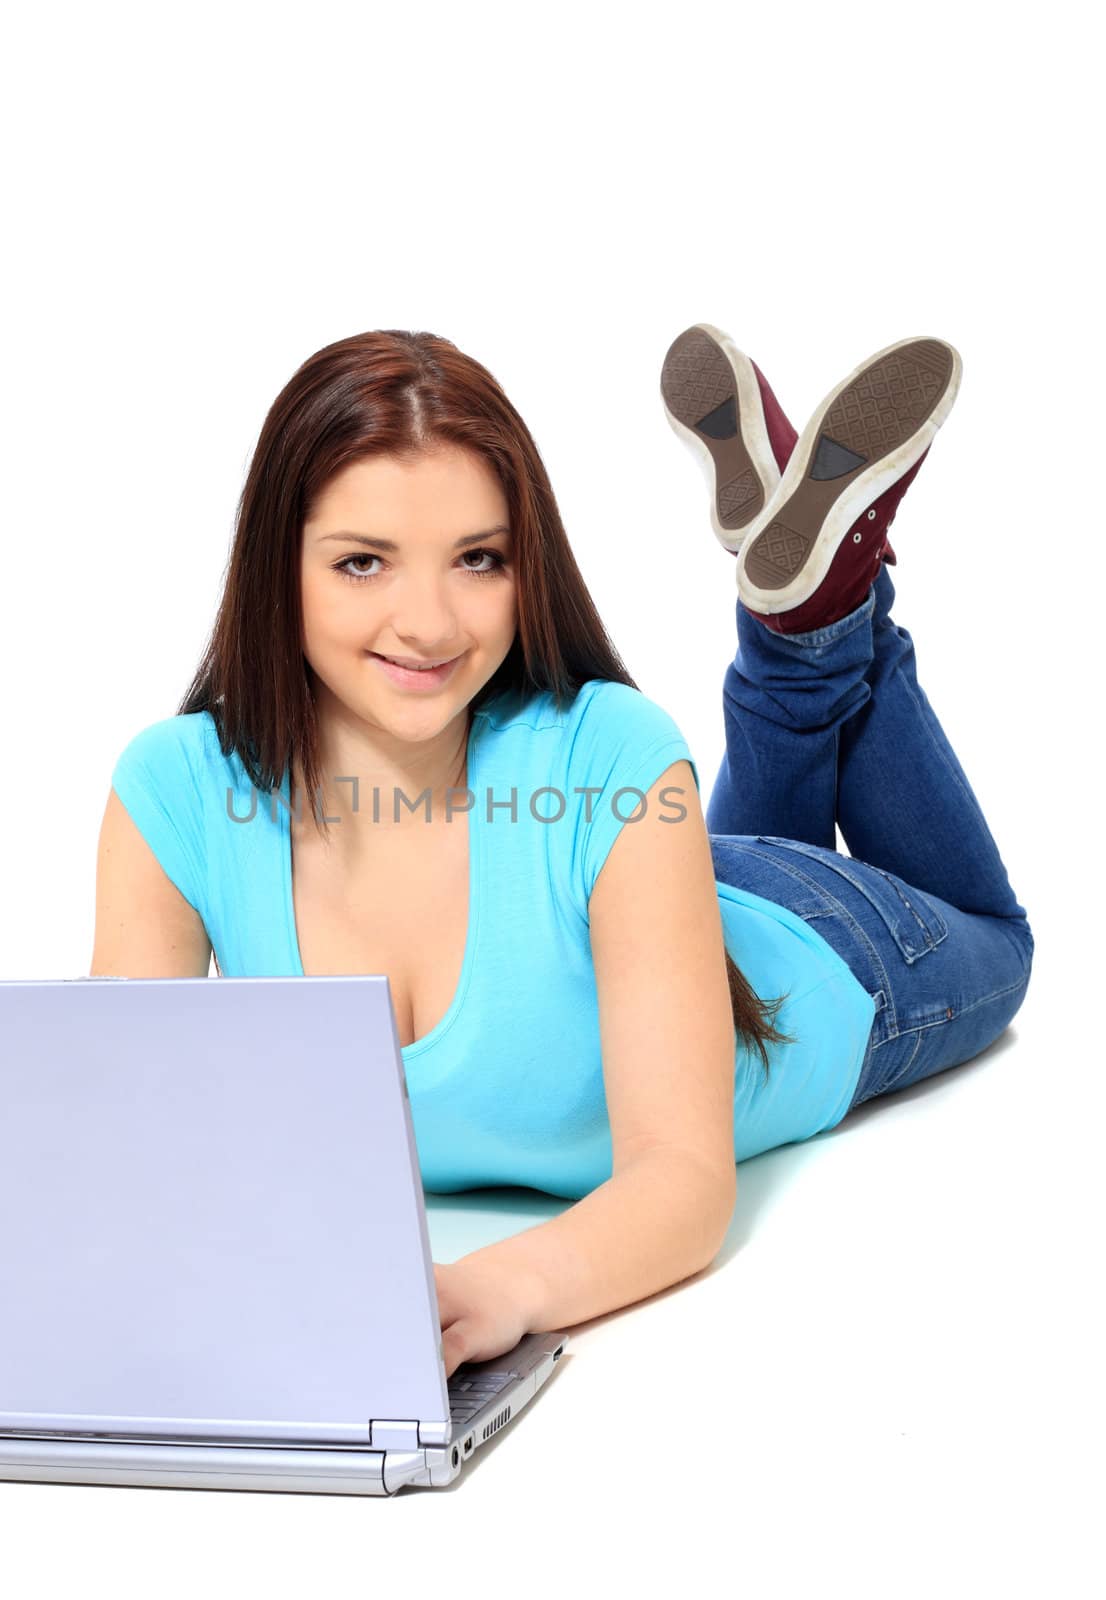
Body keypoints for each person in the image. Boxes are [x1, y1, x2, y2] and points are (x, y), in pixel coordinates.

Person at [92, 326, 1034, 1374]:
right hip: (655, 892)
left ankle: (828, 611)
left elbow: (682, 1184)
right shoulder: (175, 793)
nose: (428, 622)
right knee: (695, 829)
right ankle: (802, 606)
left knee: (1001, 937)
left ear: (522, 564)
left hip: (829, 956)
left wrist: (498, 1283)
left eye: (477, 560)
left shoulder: (611, 751)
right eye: (363, 562)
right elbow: (139, 1152)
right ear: (278, 567)